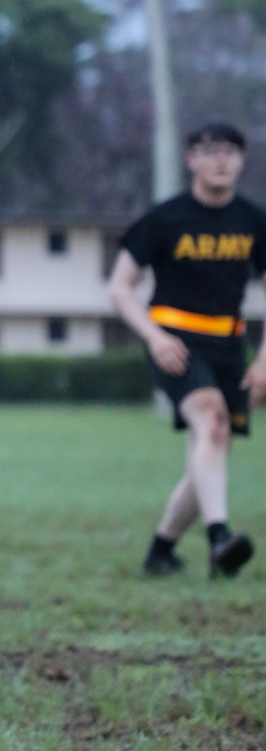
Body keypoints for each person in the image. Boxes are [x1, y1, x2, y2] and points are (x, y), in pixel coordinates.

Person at [108, 122, 266, 580]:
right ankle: (220, 537)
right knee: (211, 418)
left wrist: (263, 359)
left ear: (241, 161)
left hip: (230, 345)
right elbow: (120, 288)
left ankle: (161, 553)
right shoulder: (165, 219)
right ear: (191, 159)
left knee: (212, 448)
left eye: (231, 152)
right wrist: (154, 338)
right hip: (176, 341)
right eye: (210, 151)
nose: (221, 160)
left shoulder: (253, 220)